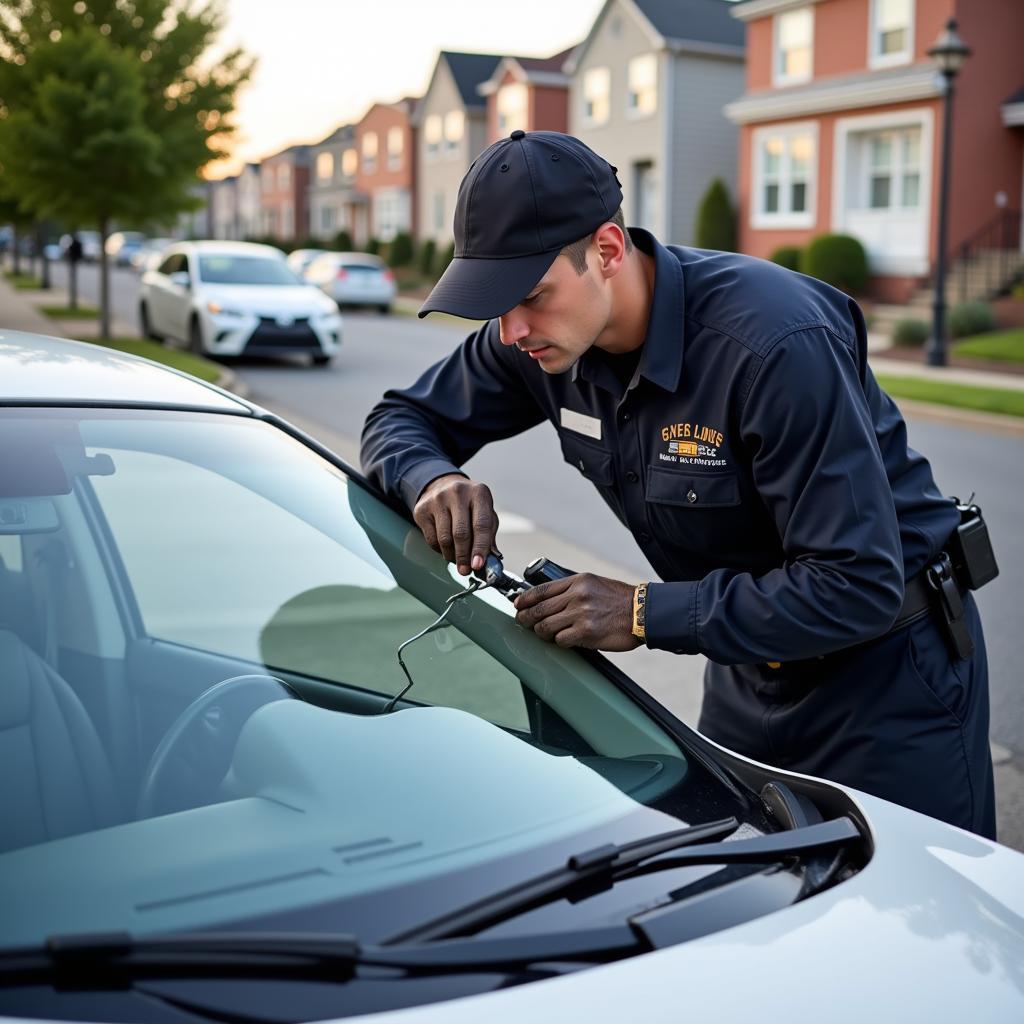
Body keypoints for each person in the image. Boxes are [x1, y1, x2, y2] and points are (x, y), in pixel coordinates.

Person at [361, 130, 996, 838]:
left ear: (605, 250)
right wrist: (430, 479)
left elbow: (857, 583)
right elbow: (402, 417)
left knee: (905, 920)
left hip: (890, 682)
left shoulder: (773, 346)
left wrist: (639, 613)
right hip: (744, 666)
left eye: (530, 296)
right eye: (493, 302)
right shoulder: (539, 340)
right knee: (753, 898)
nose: (510, 330)